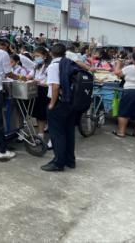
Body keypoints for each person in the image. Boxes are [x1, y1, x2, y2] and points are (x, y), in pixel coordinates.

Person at [41, 43, 75, 172]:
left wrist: (52, 104)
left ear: (51, 53)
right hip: (70, 102)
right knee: (68, 132)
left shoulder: (54, 66)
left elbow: (55, 86)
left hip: (58, 103)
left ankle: (58, 163)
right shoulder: (69, 63)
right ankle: (70, 161)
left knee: (57, 134)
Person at [27, 47, 51, 146]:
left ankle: (52, 137)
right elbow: (29, 76)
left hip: (46, 92)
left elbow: (51, 82)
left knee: (47, 115)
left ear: (45, 56)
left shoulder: (50, 66)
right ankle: (40, 134)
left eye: (38, 56)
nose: (36, 58)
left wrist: (40, 82)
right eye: (35, 56)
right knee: (39, 114)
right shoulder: (36, 66)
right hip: (38, 91)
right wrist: (26, 78)